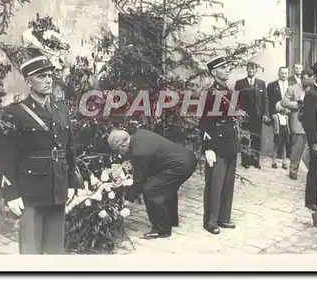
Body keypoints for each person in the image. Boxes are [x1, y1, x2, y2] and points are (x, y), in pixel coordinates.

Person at [0, 48, 83, 254]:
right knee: (31, 252)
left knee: (55, 252)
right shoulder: (14, 113)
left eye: (50, 76)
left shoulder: (61, 109)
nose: (48, 80)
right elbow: (6, 156)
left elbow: (69, 148)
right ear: (28, 82)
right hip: (30, 192)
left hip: (57, 189)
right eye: (41, 76)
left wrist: (71, 181)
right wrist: (11, 194)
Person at [107, 128, 197, 239]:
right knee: (166, 188)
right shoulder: (139, 133)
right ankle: (171, 220)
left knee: (151, 190)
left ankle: (161, 229)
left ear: (123, 145)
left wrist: (128, 198)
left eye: (117, 150)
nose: (118, 153)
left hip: (181, 165)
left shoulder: (139, 152)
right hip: (186, 157)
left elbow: (139, 179)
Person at [200, 56, 242, 235]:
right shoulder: (210, 94)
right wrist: (208, 147)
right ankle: (210, 221)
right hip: (217, 143)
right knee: (215, 183)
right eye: (223, 68)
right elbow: (204, 122)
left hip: (230, 141)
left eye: (227, 67)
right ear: (213, 72)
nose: (227, 70)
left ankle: (224, 217)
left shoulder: (229, 91)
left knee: (228, 183)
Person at [235, 61, 270, 168]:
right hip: (245, 115)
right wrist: (238, 112)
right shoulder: (240, 83)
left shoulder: (261, 83)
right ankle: (245, 161)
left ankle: (255, 160)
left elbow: (265, 100)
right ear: (247, 70)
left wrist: (265, 114)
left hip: (257, 115)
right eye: (249, 68)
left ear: (256, 70)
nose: (250, 70)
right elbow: (235, 100)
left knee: (257, 138)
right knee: (245, 138)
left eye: (252, 68)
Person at [297, 66, 317, 210]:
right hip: (315, 138)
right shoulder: (311, 94)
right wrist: (314, 141)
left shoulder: (316, 91)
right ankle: (311, 200)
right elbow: (309, 120)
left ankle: (315, 198)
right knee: (314, 168)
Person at [280, 69, 308, 180]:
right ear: (301, 78)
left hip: (311, 122)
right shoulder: (292, 88)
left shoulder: (314, 88)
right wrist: (297, 104)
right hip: (297, 122)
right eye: (306, 79)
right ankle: (293, 169)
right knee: (297, 147)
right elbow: (284, 102)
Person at [267, 66, 292, 169]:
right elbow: (267, 100)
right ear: (278, 74)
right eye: (282, 73)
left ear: (288, 74)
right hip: (276, 115)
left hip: (288, 114)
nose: (284, 75)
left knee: (286, 138)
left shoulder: (291, 85)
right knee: (278, 139)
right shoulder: (271, 85)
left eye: (286, 73)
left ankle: (285, 160)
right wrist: (269, 114)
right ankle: (274, 160)